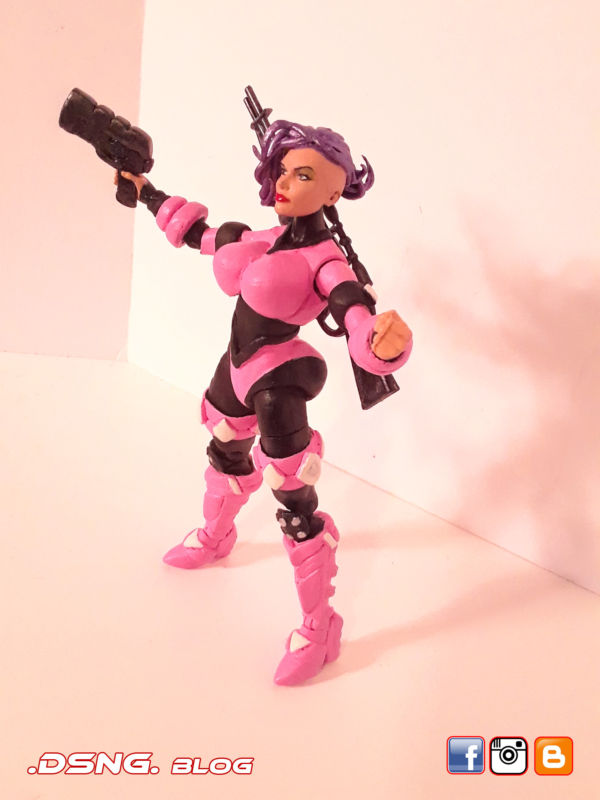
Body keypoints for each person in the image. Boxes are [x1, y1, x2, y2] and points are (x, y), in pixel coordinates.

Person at [118, 118, 412, 685]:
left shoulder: (326, 259)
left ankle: (319, 627)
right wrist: (144, 190)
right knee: (225, 447)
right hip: (236, 365)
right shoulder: (264, 236)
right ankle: (216, 535)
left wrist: (379, 344)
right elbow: (200, 235)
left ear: (334, 191)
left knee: (294, 501)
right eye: (283, 170)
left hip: (278, 379)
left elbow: (352, 310)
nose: (284, 182)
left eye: (303, 175)